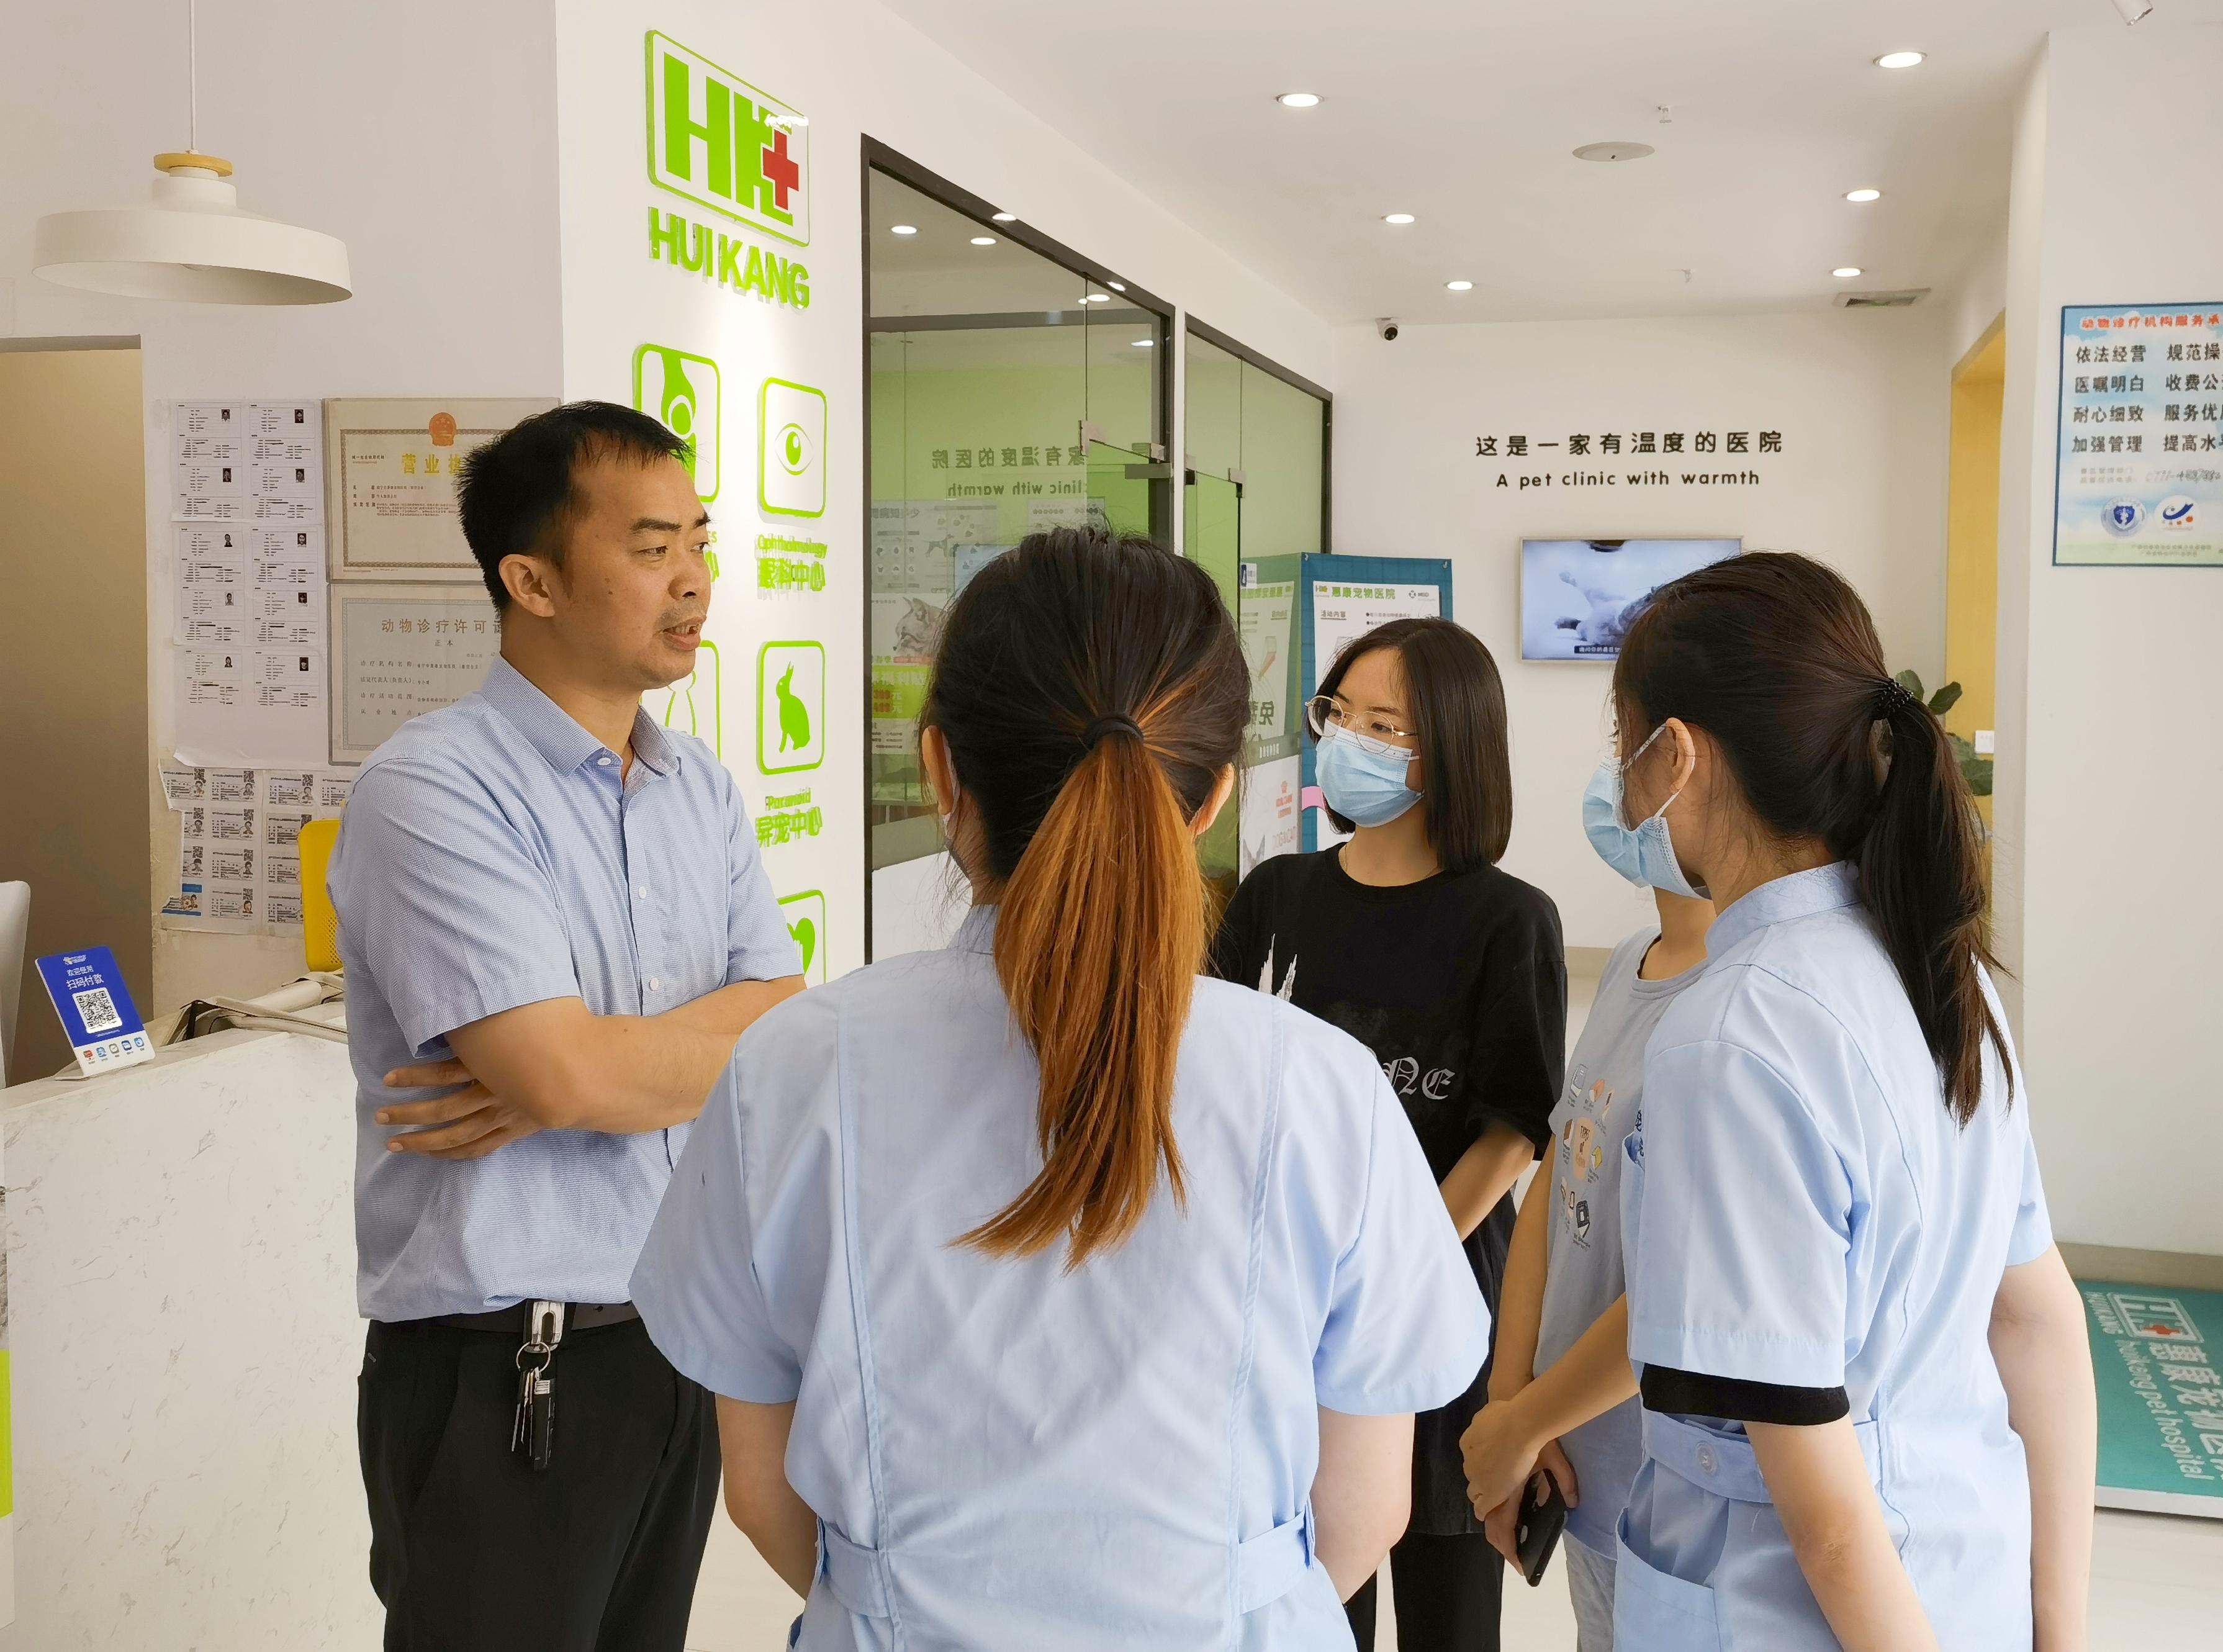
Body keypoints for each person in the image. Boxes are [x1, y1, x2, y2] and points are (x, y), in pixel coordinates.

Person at [629, 527, 1490, 1650]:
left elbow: (759, 1490)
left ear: (940, 770)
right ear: (1212, 799)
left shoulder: (792, 1067)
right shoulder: (1325, 1086)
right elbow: (1366, 1512)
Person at [329, 402, 806, 1651]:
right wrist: (571, 1070)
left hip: (675, 1345)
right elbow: (559, 1071)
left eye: (698, 540)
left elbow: (785, 1025)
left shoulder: (699, 790)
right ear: (531, 580)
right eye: (651, 547)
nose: (693, 577)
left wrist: (590, 1064)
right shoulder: (432, 787)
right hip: (504, 1370)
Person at [1600, 552, 2094, 1650]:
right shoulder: (1944, 975)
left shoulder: (1728, 1037)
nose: (1619, 786)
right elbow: (2038, 1318)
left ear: (1676, 755)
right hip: (1961, 1580)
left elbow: (1823, 1520)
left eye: (1621, 746)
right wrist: (2060, 1628)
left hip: (1800, 1614)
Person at [1212, 618, 1566, 1652]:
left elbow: (1513, 1128)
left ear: (1449, 748)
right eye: (1338, 714)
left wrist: (1397, 1258)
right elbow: (1214, 1079)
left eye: (1382, 725)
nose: (1346, 740)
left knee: (1449, 1607)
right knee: (1313, 1594)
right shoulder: (1276, 895)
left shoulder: (1509, 920)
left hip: (1439, 1296)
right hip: (1287, 1298)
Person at [1460, 880, 1712, 1650]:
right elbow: (1560, 1175)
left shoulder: (1731, 1005)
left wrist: (1523, 1424)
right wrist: (1511, 1399)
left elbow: (1682, 1285)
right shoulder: (1631, 959)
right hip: (1575, 1473)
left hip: (1668, 1497)